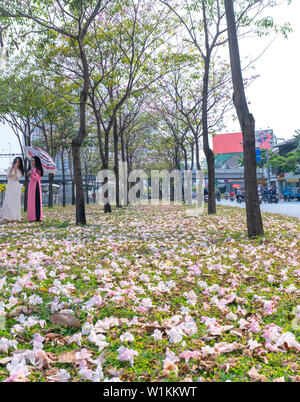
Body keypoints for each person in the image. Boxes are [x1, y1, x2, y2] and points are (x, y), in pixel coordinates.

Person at [0, 157, 24, 223]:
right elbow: (8, 176)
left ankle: (14, 217)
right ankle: (6, 216)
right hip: (9, 186)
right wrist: (12, 168)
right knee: (7, 201)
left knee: (15, 202)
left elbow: (17, 177)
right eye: (16, 161)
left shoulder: (20, 170)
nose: (17, 163)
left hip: (16, 186)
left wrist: (16, 169)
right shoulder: (9, 168)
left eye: (18, 162)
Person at [27, 156, 43, 222]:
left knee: (36, 202)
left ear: (37, 161)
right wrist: (30, 174)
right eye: (31, 161)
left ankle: (37, 217)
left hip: (36, 187)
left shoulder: (38, 169)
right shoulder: (33, 169)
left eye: (33, 160)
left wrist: (30, 175)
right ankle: (32, 216)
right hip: (32, 187)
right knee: (31, 201)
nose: (32, 162)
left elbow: (36, 178)